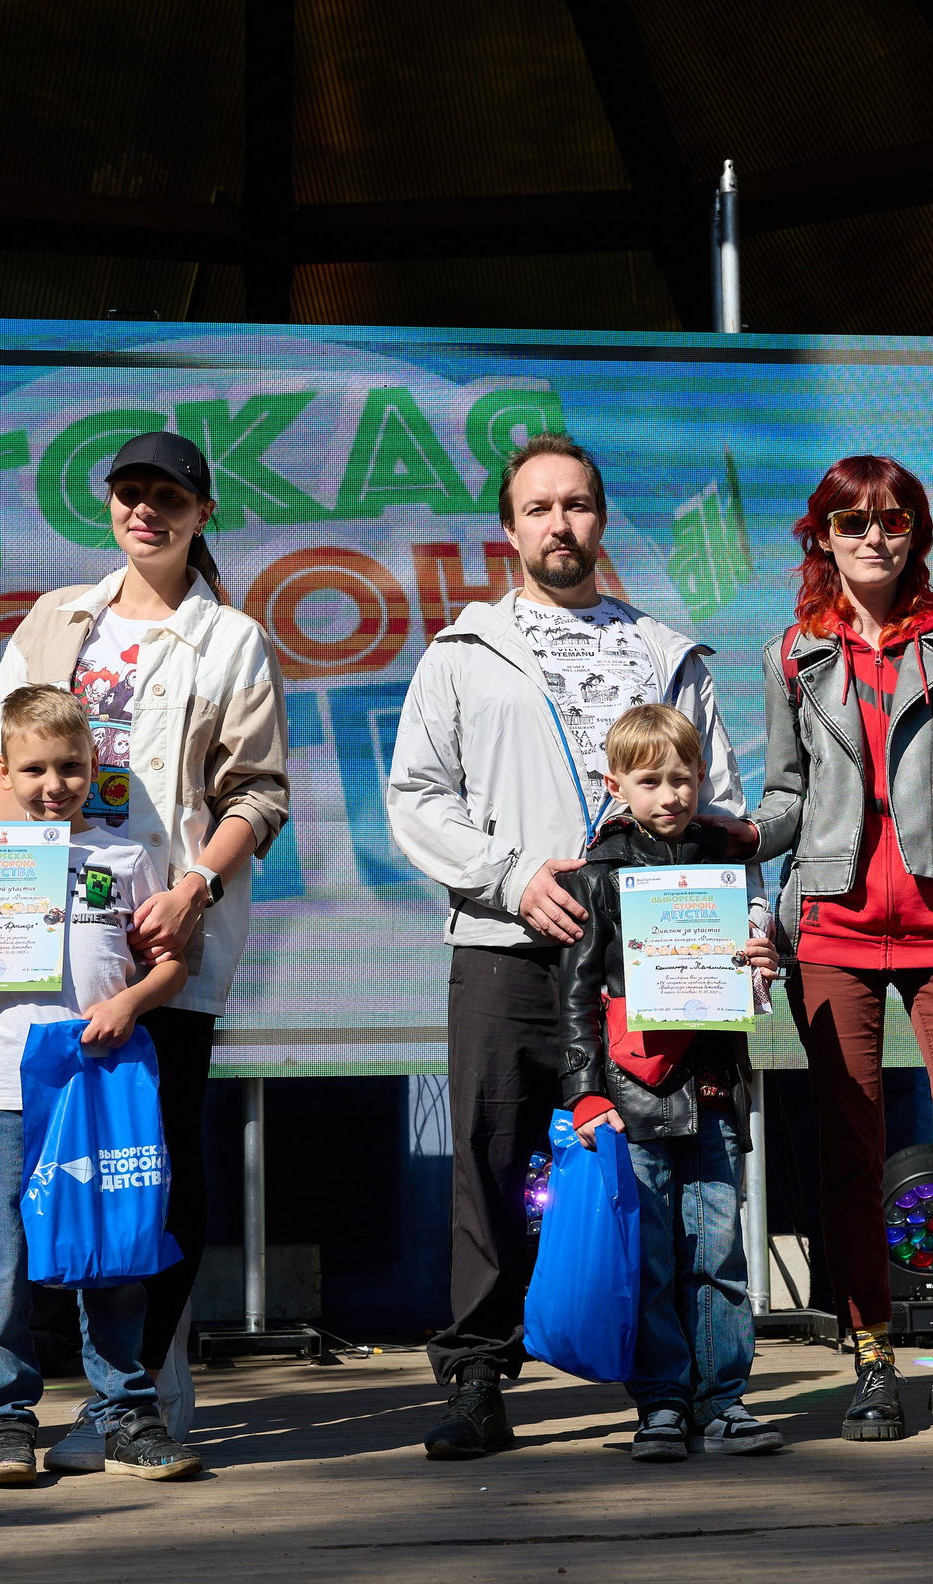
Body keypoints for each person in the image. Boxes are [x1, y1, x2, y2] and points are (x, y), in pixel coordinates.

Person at [387, 431, 748, 1461]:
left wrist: (741, 931)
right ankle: (476, 1379)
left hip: (655, 964)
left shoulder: (666, 652)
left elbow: (715, 807)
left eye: (578, 504)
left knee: (663, 1172)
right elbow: (415, 797)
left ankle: (668, 1388)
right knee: (491, 1158)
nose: (560, 523)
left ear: (600, 517)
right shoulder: (461, 651)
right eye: (539, 507)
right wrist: (513, 878)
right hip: (507, 941)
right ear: (508, 529)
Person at [0, 430, 290, 1472]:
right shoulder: (57, 616)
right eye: (127, 493)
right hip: (42, 946)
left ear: (201, 514)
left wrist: (195, 888)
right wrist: (3, 899)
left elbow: (257, 792)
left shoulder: (231, 638)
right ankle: (30, 1405)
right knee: (26, 1181)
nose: (143, 511)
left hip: (161, 935)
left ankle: (136, 1396)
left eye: (166, 496)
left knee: (151, 1166)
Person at [744, 455, 933, 1443]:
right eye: (853, 521)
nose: (875, 536)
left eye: (892, 519)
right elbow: (785, 794)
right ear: (820, 535)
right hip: (830, 923)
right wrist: (739, 834)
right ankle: (870, 1354)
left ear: (914, 531)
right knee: (849, 1150)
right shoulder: (792, 654)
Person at [0, 686, 201, 1486]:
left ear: (93, 769)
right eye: (35, 769)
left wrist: (131, 1002)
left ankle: (124, 1412)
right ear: (1, 770)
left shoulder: (126, 858)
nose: (54, 785)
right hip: (10, 1089)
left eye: (70, 768)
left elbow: (173, 962)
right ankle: (4, 1422)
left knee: (114, 1256)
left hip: (104, 1089)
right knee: (2, 1263)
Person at [559, 704, 783, 1461]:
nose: (670, 795)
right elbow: (574, 995)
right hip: (633, 1097)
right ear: (615, 785)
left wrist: (759, 967)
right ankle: (659, 1403)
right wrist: (586, 1091)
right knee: (651, 1257)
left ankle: (722, 1402)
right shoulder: (599, 873)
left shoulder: (725, 868)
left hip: (714, 1086)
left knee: (717, 1254)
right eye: (650, 780)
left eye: (682, 778)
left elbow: (750, 978)